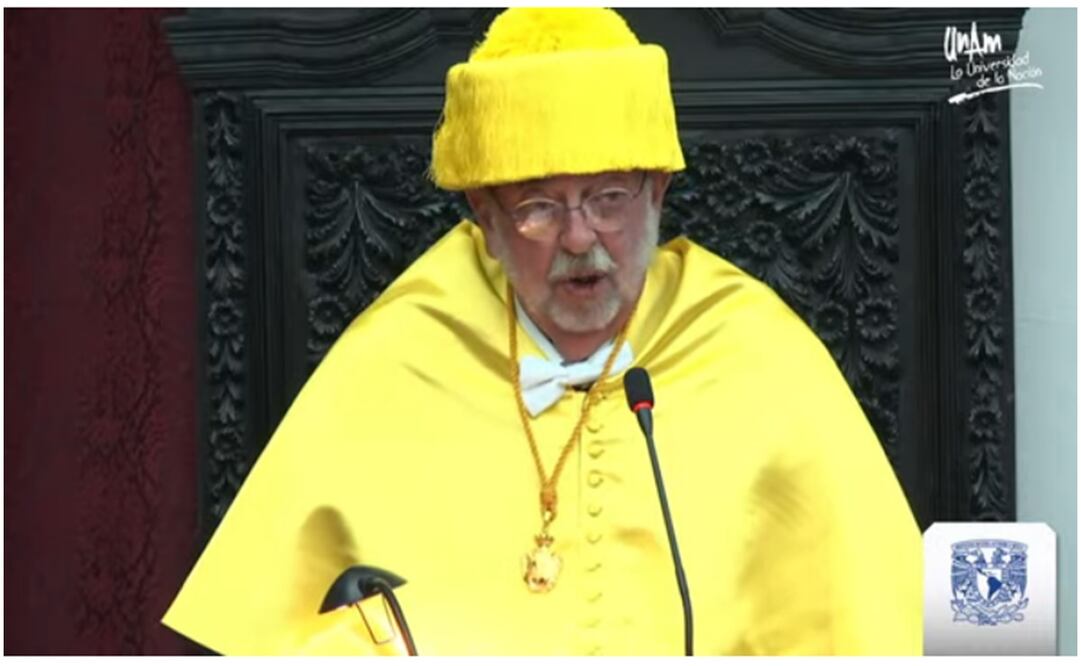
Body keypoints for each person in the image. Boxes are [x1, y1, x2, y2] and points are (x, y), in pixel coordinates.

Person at [163, 7, 922, 655]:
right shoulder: (399, 352)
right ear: (484, 221)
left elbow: (871, 625)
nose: (580, 237)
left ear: (658, 194)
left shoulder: (759, 352)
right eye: (537, 207)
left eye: (610, 196)